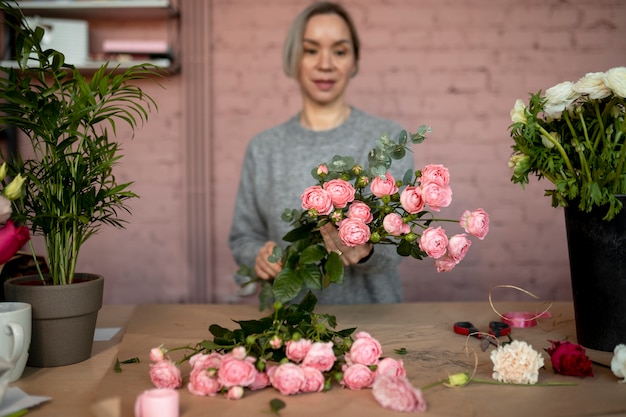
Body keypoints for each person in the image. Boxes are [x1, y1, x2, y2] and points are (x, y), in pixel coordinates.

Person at [228, 1, 414, 304]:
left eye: (339, 51)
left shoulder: (387, 140)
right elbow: (243, 237)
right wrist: (257, 256)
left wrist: (367, 250)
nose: (325, 64)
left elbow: (398, 242)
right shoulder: (264, 148)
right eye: (311, 50)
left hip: (376, 330)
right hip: (290, 330)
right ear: (294, 59)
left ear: (354, 61)